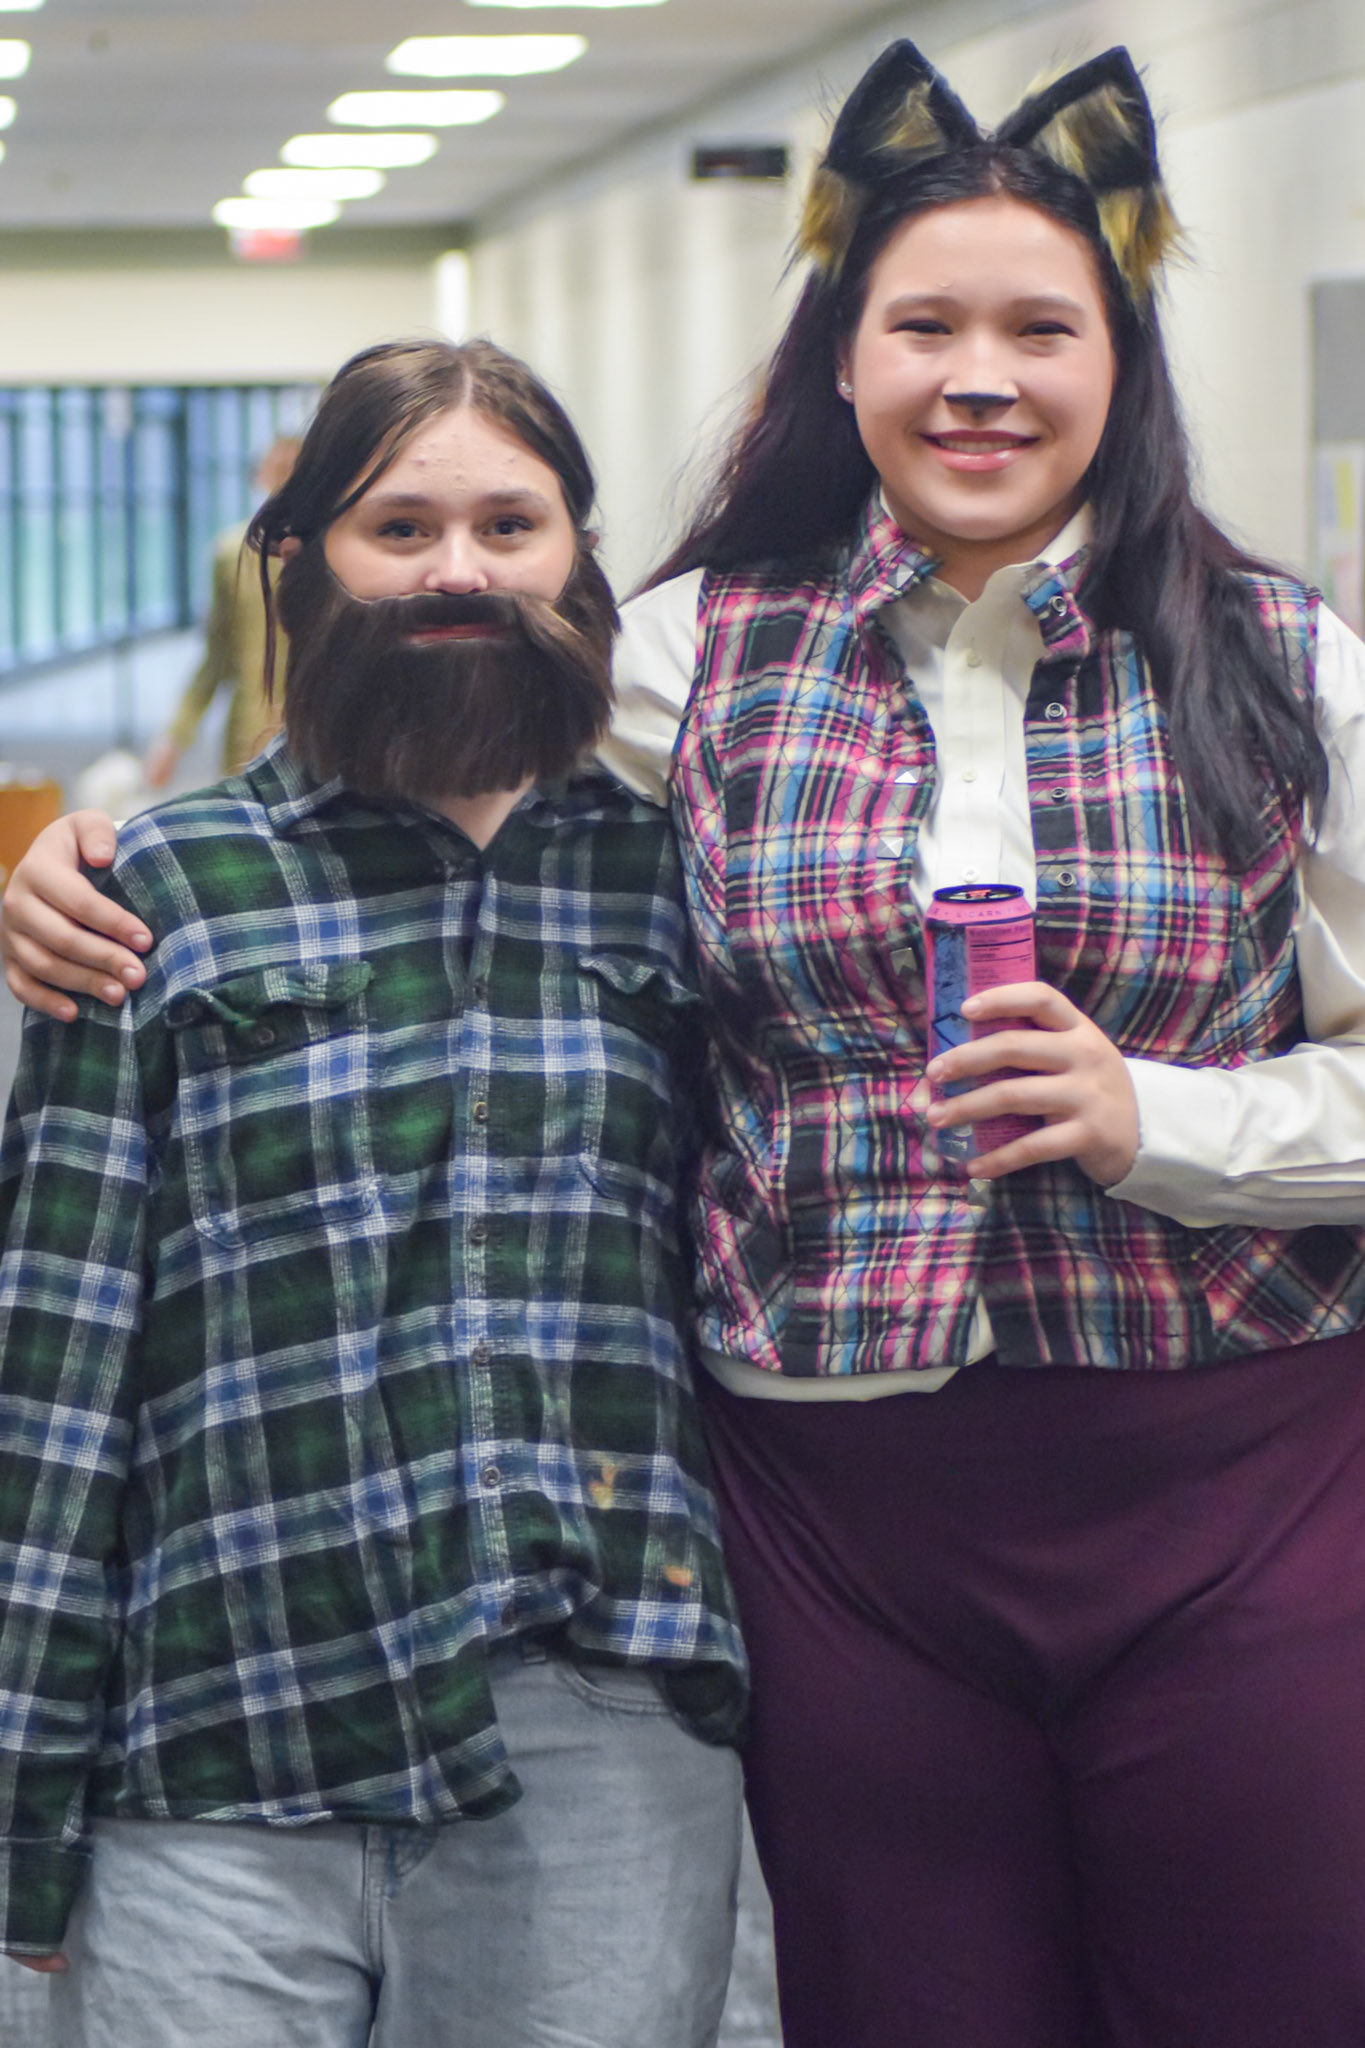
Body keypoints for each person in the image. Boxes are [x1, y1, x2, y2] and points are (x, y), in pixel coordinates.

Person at [14, 39, 1365, 2048]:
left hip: (1224, 1472)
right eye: (923, 324)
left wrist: (1151, 1115)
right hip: (835, 1508)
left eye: (1038, 328)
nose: (977, 376)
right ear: (844, 356)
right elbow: (436, 779)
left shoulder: (1280, 660)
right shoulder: (691, 652)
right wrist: (87, 867)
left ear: (1121, 359)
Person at [0, 337, 745, 2048]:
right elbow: (55, 1376)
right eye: (399, 527)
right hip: (218, 1726)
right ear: (303, 563)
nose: (458, 570)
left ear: (580, 561)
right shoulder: (165, 891)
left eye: (508, 524)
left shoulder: (682, 880)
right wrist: (23, 1806)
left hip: (593, 1731)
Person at [142, 435, 300, 788]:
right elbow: (218, 654)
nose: (284, 478)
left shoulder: (334, 551)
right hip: (248, 736)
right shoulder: (233, 554)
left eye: (293, 468)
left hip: (315, 734)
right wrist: (175, 737)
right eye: (277, 467)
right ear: (260, 475)